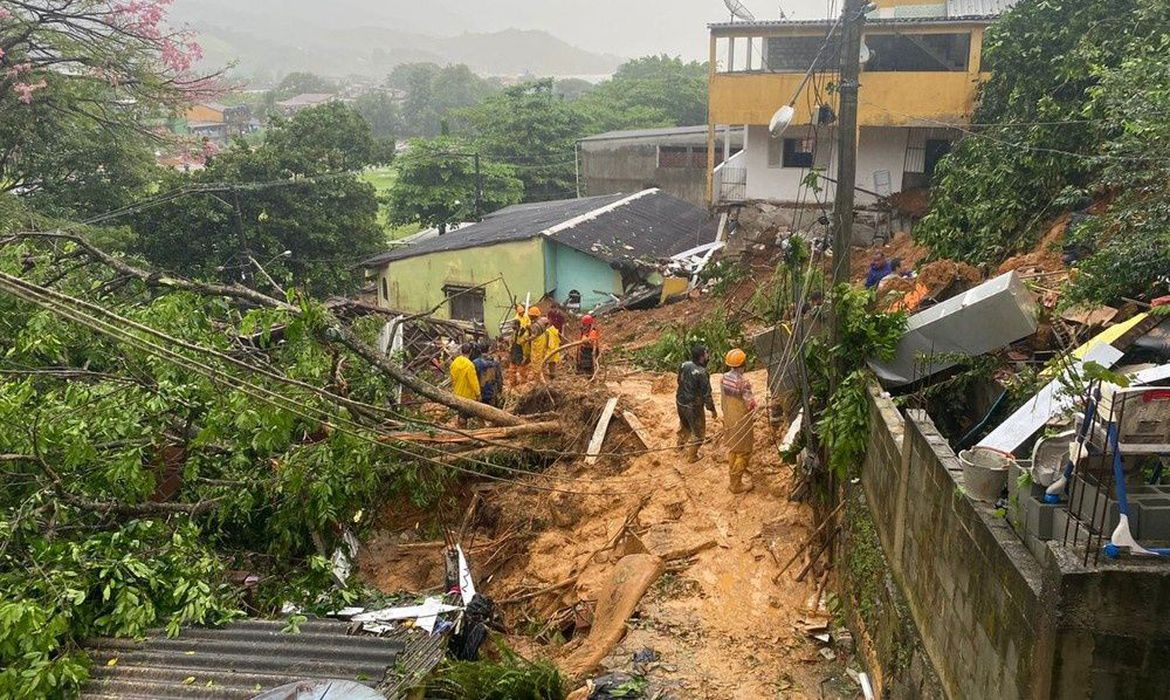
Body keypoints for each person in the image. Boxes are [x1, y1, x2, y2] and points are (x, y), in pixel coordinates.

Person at [721, 348, 758, 494]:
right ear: (743, 363)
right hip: (741, 421)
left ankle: (733, 477)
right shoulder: (743, 382)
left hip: (729, 419)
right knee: (743, 452)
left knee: (733, 448)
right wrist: (756, 404)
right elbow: (750, 405)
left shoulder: (723, 378)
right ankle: (735, 484)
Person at [676, 345, 717, 463]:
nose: (708, 356)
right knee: (699, 433)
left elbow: (679, 380)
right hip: (693, 406)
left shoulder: (684, 365)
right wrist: (712, 409)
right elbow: (707, 394)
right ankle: (692, 456)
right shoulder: (702, 373)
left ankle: (679, 446)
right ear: (701, 357)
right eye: (706, 354)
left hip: (680, 401)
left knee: (685, 425)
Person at [450, 343, 481, 427]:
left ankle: (461, 428)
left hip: (457, 392)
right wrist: (478, 394)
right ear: (470, 351)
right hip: (468, 395)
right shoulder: (469, 365)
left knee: (461, 412)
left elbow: (452, 378)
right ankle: (465, 430)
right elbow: (473, 381)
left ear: (461, 351)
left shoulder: (454, 363)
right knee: (469, 413)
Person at [473, 340, 503, 408]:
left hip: (481, 392)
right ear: (489, 349)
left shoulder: (475, 363)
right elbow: (499, 377)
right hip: (492, 391)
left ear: (479, 350)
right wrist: (500, 389)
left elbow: (474, 378)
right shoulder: (495, 362)